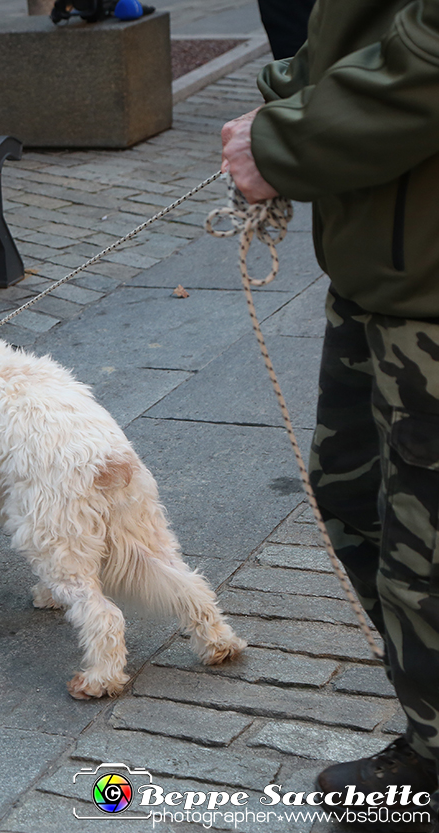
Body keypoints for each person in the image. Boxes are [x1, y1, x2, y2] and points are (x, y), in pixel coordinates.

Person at [222, 2, 439, 829]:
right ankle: (430, 734)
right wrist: (283, 100)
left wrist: (285, 143)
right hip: (383, 265)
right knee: (357, 504)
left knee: (428, 545)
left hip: (426, 282)